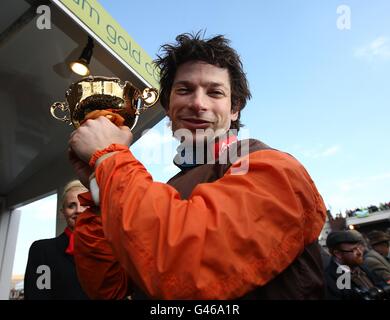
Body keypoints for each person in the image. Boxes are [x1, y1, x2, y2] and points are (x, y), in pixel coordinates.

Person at [69, 32, 327, 299]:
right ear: (168, 106)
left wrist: (110, 159)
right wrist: (100, 187)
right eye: (184, 90)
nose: (198, 103)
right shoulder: (164, 188)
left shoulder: (272, 167)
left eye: (215, 92)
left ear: (235, 108)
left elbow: (183, 270)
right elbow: (111, 290)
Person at [24, 180, 89, 300]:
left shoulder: (109, 250)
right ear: (62, 213)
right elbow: (37, 296)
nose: (78, 210)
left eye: (84, 204)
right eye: (71, 206)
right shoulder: (42, 250)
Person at [324, 230, 384, 300]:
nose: (360, 253)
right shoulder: (329, 280)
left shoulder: (362, 267)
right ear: (338, 254)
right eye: (353, 250)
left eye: (359, 248)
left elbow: (380, 284)